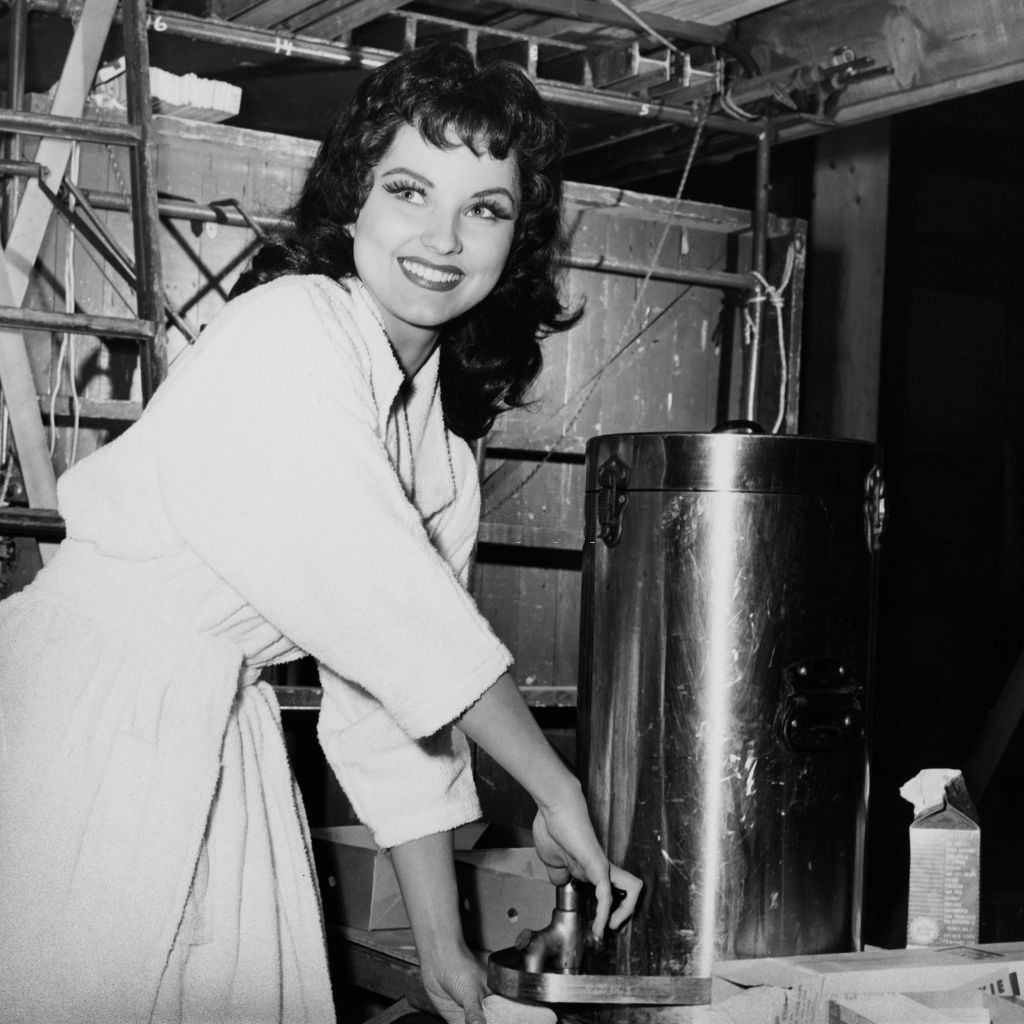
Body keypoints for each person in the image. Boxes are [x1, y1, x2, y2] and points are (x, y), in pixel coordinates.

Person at [0, 41, 641, 1024]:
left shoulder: (435, 448)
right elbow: (390, 605)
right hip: (90, 716)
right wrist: (555, 787)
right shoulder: (288, 330)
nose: (443, 236)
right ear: (354, 202)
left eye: (485, 208)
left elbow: (398, 704)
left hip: (219, 726)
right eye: (409, 190)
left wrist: (443, 944)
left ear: (517, 240)